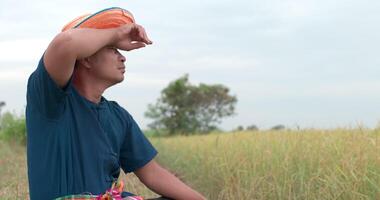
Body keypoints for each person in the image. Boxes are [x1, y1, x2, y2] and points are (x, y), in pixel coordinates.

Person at [26, 7, 205, 200]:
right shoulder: (50, 100)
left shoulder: (118, 116)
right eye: (113, 49)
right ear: (85, 57)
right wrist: (117, 33)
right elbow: (66, 42)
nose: (123, 56)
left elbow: (153, 173)